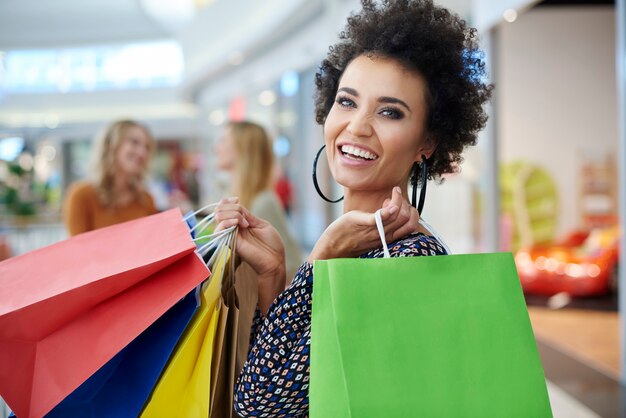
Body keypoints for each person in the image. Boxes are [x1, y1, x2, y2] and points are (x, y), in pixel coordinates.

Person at [214, 0, 493, 415]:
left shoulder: (405, 259)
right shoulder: (362, 245)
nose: (358, 126)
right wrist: (274, 275)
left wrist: (320, 257)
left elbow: (259, 405)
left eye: (389, 112)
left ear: (427, 143)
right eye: (347, 102)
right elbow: (296, 381)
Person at [214, 120, 304, 281]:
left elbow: (289, 267)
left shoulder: (263, 202)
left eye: (223, 141)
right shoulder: (235, 197)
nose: (216, 148)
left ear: (243, 149)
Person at [63, 119, 157, 236]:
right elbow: (76, 250)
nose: (142, 152)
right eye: (134, 142)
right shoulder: (82, 196)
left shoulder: (146, 200)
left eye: (147, 147)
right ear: (111, 145)